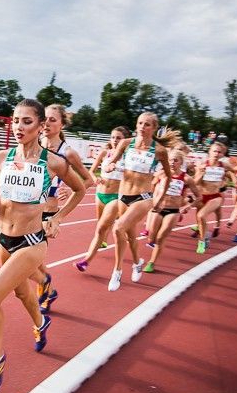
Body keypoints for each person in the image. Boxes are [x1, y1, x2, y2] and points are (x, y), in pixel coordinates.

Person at [0, 99, 85, 393]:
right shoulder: (0, 158)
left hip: (32, 242)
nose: (18, 127)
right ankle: (41, 322)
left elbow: (81, 188)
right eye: (15, 120)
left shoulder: (53, 162)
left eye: (27, 121)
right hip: (2, 239)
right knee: (22, 294)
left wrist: (57, 217)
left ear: (40, 125)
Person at [101, 112, 180, 290]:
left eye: (147, 124)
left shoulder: (159, 151)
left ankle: (117, 271)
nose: (142, 127)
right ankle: (137, 262)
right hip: (123, 196)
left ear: (154, 128)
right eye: (140, 123)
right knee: (129, 236)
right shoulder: (125, 143)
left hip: (143, 197)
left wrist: (160, 198)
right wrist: (110, 165)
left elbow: (168, 176)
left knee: (118, 228)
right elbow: (110, 162)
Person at [33, 104, 93, 313]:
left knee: (31, 259)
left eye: (53, 120)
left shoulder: (67, 152)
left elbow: (89, 180)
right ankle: (48, 289)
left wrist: (67, 193)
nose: (47, 123)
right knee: (28, 259)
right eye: (45, 119)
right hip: (28, 210)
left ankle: (46, 290)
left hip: (48, 213)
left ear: (62, 125)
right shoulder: (35, 143)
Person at [74, 126, 131, 271]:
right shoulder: (105, 153)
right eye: (113, 137)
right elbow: (91, 171)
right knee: (100, 225)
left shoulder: (128, 157)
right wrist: (96, 178)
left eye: (118, 138)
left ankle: (86, 261)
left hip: (115, 197)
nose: (115, 140)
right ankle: (105, 240)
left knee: (100, 228)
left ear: (125, 140)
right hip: (99, 195)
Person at [144, 149, 201, 272]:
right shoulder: (161, 174)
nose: (172, 163)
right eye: (170, 160)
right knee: (151, 238)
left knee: (161, 237)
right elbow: (150, 187)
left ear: (181, 162)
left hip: (173, 211)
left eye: (175, 160)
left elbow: (199, 197)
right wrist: (153, 199)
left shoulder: (186, 178)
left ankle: (151, 262)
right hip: (158, 209)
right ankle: (154, 244)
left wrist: (188, 206)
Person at [192, 142, 237, 253]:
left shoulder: (224, 165)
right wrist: (201, 172)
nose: (216, 154)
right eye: (214, 151)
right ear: (209, 152)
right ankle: (205, 236)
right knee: (200, 220)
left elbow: (234, 171)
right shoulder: (202, 164)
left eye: (219, 152)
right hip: (202, 196)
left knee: (201, 216)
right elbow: (195, 183)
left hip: (216, 196)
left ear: (222, 154)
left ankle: (202, 241)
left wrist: (230, 179)